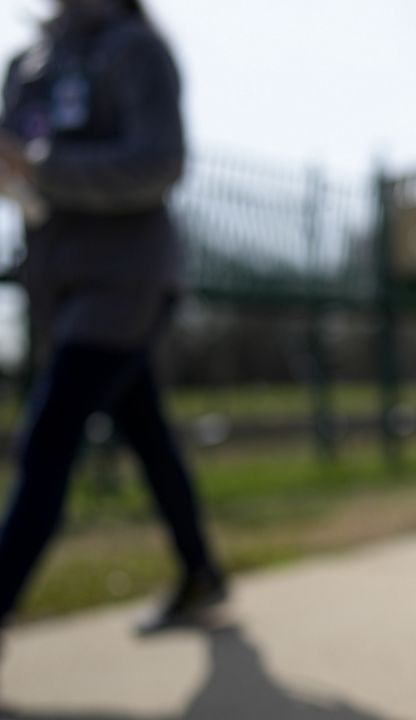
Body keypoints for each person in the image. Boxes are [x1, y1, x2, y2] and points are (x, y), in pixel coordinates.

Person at [0, 0, 226, 634]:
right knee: (146, 432)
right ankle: (200, 569)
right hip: (60, 282)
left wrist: (42, 169)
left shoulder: (134, 49)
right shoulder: (28, 63)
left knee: (46, 440)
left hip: (125, 281)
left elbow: (159, 164)